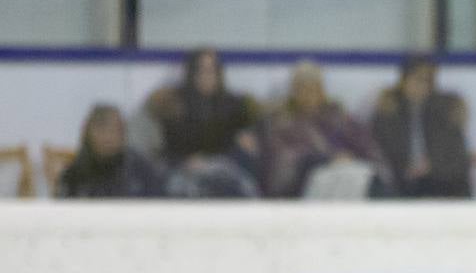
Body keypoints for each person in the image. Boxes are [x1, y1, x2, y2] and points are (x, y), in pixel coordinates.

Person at [260, 60, 388, 199]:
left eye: (314, 88)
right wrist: (329, 159)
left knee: (367, 177)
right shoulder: (284, 124)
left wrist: (350, 159)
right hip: (307, 185)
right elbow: (286, 165)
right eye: (302, 88)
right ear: (294, 91)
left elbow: (366, 147)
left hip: (350, 175)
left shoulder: (338, 117)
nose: (309, 94)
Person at [148, 47, 260, 198]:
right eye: (201, 70)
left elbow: (243, 142)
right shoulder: (174, 103)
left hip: (224, 167)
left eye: (212, 70)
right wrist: (184, 160)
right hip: (183, 168)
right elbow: (165, 146)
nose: (207, 76)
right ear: (191, 73)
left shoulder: (234, 104)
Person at [370, 55, 471, 198]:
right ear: (404, 81)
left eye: (427, 80)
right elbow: (380, 152)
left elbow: (458, 157)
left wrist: (432, 166)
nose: (421, 85)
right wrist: (406, 168)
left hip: (440, 180)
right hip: (402, 181)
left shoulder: (444, 111)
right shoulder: (388, 111)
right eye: (417, 79)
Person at [56, 104, 164, 199]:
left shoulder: (141, 170)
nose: (109, 136)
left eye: (116, 129)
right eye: (102, 128)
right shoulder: (74, 175)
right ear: (88, 132)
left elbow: (159, 206)